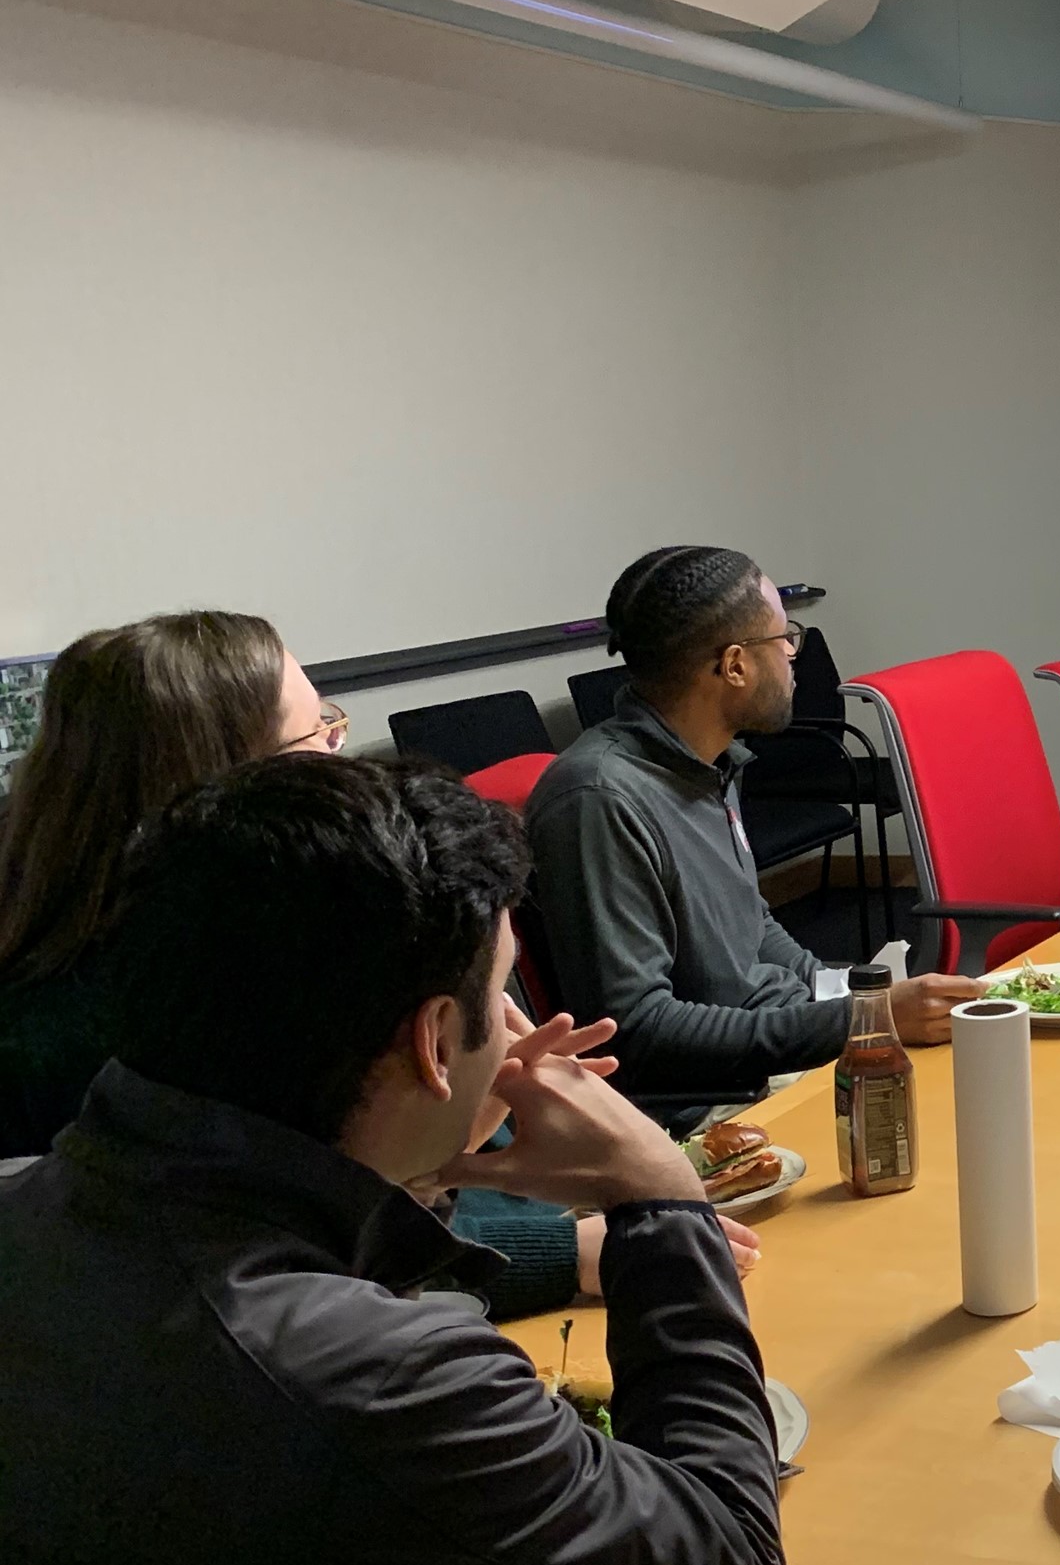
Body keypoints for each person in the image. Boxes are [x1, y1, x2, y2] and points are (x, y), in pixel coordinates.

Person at [0, 757, 972, 1565]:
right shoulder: (352, 1373)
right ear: (427, 1038)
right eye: (505, 1001)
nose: (523, 1037)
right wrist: (657, 1200)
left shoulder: (44, 1204)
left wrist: (425, 1155)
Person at [0, 609, 755, 1311]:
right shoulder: (126, 1017)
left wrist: (474, 1104)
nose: (346, 757)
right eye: (316, 737)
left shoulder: (286, 932)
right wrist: (559, 1243)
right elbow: (243, 1263)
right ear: (230, 791)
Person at [528, 548, 980, 1100]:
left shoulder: (710, 762)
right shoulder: (598, 801)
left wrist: (855, 998)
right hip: (718, 1103)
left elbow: (752, 924)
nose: (793, 652)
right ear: (734, 665)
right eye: (784, 637)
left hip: (779, 1056)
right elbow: (637, 1033)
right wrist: (854, 1024)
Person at [0, 610, 337, 1157]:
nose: (335, 758)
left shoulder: (58, 924)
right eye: (316, 734)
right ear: (226, 783)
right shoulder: (189, 1023)